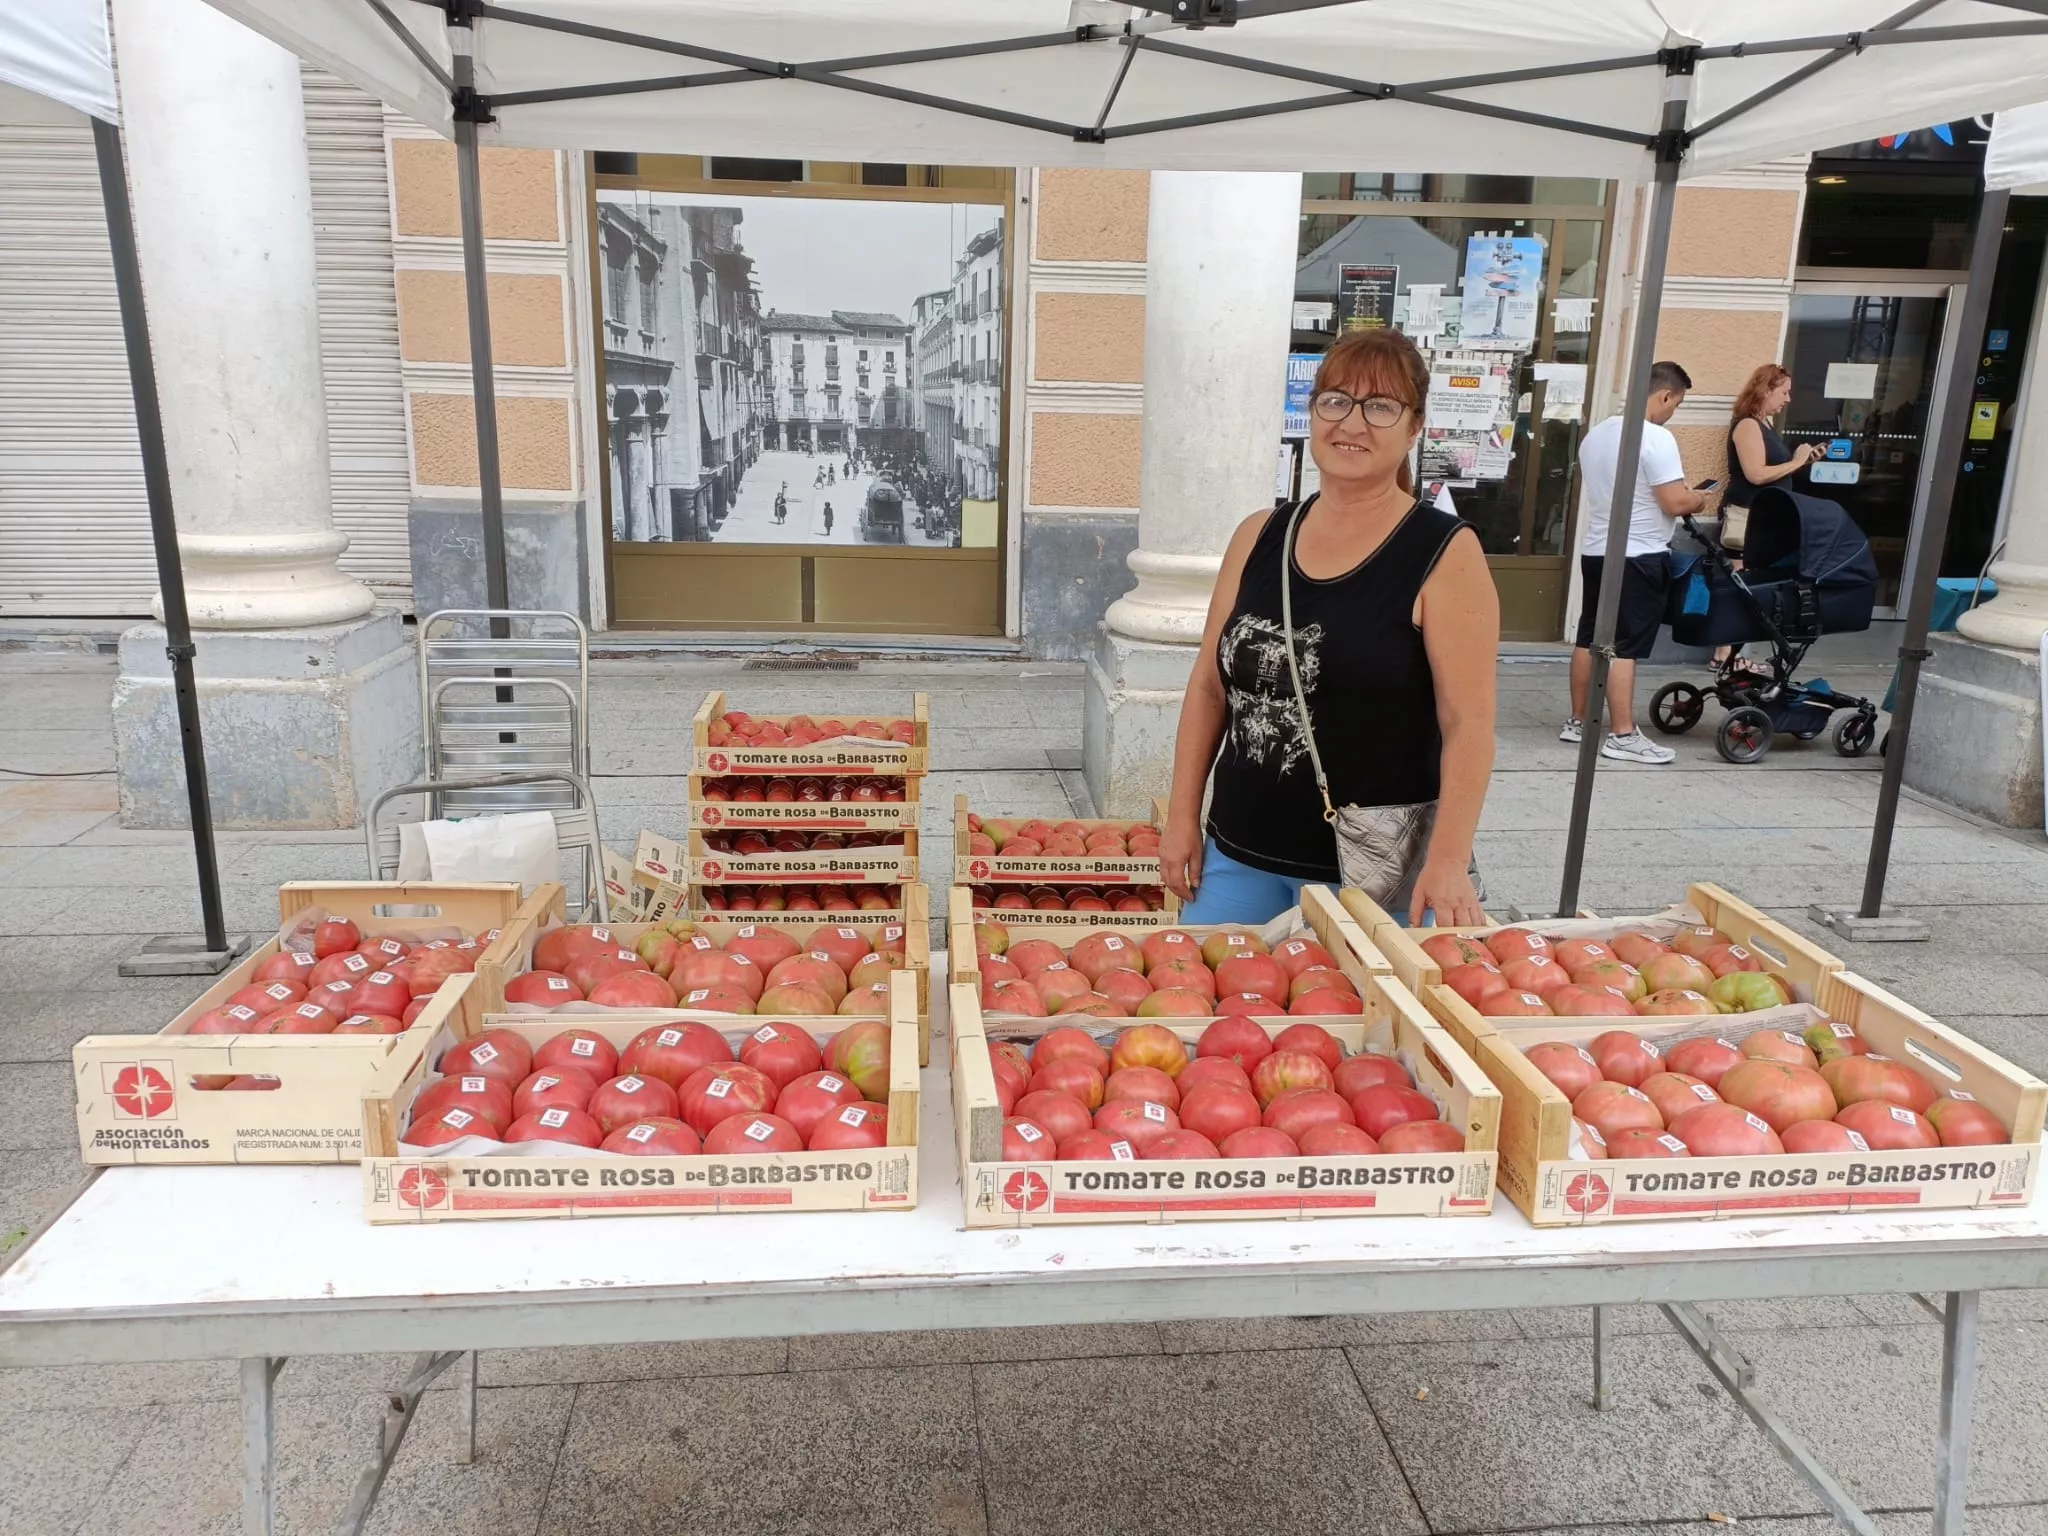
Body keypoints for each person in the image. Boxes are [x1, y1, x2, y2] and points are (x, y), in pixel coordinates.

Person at [1157, 327, 1499, 928]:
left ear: (1415, 426)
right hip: (1238, 852)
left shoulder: (1444, 552)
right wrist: (1183, 816)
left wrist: (1446, 861)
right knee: (1213, 1014)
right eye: (1335, 400)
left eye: (1380, 407)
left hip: (1371, 875)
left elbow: (1468, 724)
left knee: (1353, 1022)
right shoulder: (1260, 534)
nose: (1352, 423)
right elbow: (1210, 686)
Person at [1562, 361, 1706, 766]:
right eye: (1675, 404)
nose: (1672, 412)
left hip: (1597, 550)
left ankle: (1578, 721)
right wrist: (1699, 498)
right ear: (1664, 395)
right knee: (1625, 646)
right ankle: (1623, 734)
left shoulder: (1596, 436)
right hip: (1639, 554)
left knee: (1590, 637)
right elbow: (1675, 502)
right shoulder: (1656, 438)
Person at [1724, 363, 1817, 551]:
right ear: (1766, 391)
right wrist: (1797, 461)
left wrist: (1804, 461)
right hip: (1748, 518)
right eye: (1784, 393)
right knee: (1745, 577)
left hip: (1764, 518)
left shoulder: (1765, 423)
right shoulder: (1748, 425)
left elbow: (1773, 468)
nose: (1788, 399)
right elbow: (1756, 474)